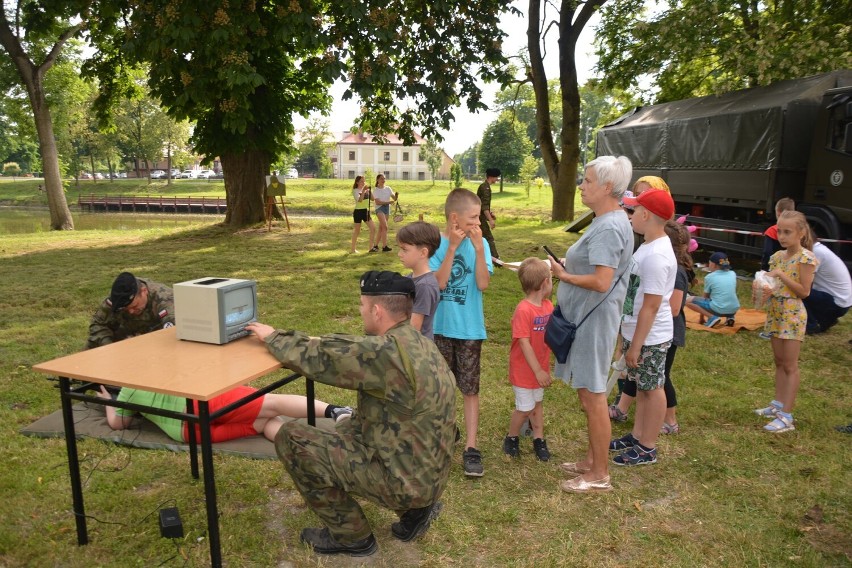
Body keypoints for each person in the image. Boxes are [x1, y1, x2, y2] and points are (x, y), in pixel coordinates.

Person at [246, 271, 456, 557]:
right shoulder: (419, 344)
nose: (360, 311)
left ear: (377, 310)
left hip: (407, 481)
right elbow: (346, 349)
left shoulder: (385, 353)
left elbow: (321, 357)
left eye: (361, 305)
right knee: (347, 427)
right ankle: (414, 512)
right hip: (428, 473)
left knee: (293, 438)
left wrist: (273, 337)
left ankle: (351, 536)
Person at [549, 156, 633, 493]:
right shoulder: (605, 221)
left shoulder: (611, 226)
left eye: (587, 180)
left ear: (608, 188)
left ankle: (599, 474)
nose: (581, 185)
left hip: (594, 321)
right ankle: (591, 460)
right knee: (589, 394)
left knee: (594, 396)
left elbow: (601, 281)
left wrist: (563, 275)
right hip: (589, 318)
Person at [608, 189, 676, 467]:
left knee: (652, 388)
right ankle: (637, 435)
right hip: (637, 332)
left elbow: (651, 306)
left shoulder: (658, 255)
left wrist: (636, 344)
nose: (630, 216)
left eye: (633, 211)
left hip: (651, 336)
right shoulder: (648, 246)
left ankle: (648, 446)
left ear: (646, 215)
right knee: (640, 386)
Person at [429, 188, 493, 477]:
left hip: (469, 329)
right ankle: (441, 436)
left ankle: (470, 446)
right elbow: (438, 284)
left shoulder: (481, 245)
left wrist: (479, 250)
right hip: (440, 329)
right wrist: (452, 248)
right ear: (454, 219)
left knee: (469, 389)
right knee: (440, 388)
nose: (478, 223)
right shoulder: (435, 246)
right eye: (473, 218)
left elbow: (482, 284)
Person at [609, 220, 694, 434]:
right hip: (643, 331)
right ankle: (629, 420)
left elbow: (672, 309)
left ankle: (670, 422)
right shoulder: (649, 251)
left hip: (660, 334)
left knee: (659, 380)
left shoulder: (670, 268)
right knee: (640, 378)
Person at [98, 386, 351, 443]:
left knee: (264, 423)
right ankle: (336, 411)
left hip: (185, 432)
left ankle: (312, 445)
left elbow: (118, 423)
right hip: (200, 402)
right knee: (271, 403)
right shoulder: (150, 367)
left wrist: (110, 402)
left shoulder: (126, 395)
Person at [754, 210, 817, 433]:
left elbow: (804, 292)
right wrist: (763, 290)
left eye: (787, 232)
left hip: (792, 315)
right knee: (779, 362)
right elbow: (774, 287)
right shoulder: (777, 257)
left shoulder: (806, 258)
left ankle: (787, 415)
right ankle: (777, 405)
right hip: (776, 312)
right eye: (779, 230)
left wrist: (781, 276)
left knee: (790, 365)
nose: (781, 236)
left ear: (801, 233)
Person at [502, 258, 553, 461]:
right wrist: (538, 371)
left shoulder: (548, 306)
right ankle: (511, 437)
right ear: (544, 284)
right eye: (551, 280)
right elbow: (523, 343)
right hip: (525, 370)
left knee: (537, 403)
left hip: (540, 368)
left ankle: (539, 438)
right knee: (525, 408)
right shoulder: (523, 310)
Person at [86, 272, 175, 349]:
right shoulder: (119, 298)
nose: (131, 312)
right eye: (126, 309)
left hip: (156, 341)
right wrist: (109, 347)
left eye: (135, 306)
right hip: (123, 338)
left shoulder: (166, 300)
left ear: (144, 291)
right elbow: (99, 324)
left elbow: (172, 334)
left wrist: (140, 345)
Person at [396, 221, 442, 339]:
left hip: (418, 351)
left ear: (423, 253)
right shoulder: (408, 279)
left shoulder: (425, 286)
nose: (399, 254)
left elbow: (414, 328)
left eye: (404, 249)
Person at [803, 232, 852, 334]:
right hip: (843, 301)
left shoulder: (815, 253)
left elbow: (802, 283)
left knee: (798, 291)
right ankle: (826, 320)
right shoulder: (821, 250)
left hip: (836, 302)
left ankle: (811, 326)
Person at [685, 251, 740, 327]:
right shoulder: (732, 274)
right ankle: (730, 318)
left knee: (688, 301)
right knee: (725, 297)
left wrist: (702, 317)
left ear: (714, 265)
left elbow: (705, 297)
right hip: (734, 308)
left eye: (709, 263)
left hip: (718, 309)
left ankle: (712, 318)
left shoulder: (710, 277)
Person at [761, 198, 796, 271]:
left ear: (778, 213)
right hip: (791, 269)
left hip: (774, 269)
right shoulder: (797, 230)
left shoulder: (772, 231)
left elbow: (767, 252)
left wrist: (764, 269)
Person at [477, 168, 501, 259]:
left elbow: (481, 204)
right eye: (496, 177)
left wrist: (490, 214)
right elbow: (484, 206)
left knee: (480, 238)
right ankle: (496, 260)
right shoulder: (486, 188)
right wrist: (490, 220)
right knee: (489, 239)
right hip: (479, 218)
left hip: (478, 216)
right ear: (491, 177)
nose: (497, 179)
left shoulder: (484, 186)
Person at [349, 176, 376, 254]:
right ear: (357, 182)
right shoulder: (355, 190)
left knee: (373, 228)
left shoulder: (366, 190)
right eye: (361, 181)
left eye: (364, 181)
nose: (363, 183)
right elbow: (360, 200)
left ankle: (371, 248)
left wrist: (370, 191)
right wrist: (364, 190)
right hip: (358, 212)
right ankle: (353, 249)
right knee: (357, 231)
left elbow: (373, 199)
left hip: (365, 211)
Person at [372, 174, 397, 252]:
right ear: (378, 180)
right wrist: (389, 202)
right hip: (379, 208)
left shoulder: (388, 188)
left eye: (384, 179)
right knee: (385, 227)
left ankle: (375, 246)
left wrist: (396, 195)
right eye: (381, 179)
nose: (383, 180)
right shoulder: (376, 190)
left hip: (387, 208)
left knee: (381, 228)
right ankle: (384, 246)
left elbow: (394, 198)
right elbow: (377, 202)